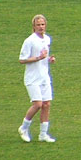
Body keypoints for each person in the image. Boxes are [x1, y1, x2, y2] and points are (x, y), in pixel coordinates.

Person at [18, 14, 57, 143]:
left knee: (46, 104)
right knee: (38, 104)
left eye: (43, 24)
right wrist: (38, 58)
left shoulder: (47, 39)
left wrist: (49, 59)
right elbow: (22, 60)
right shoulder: (29, 41)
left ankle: (43, 134)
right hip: (32, 78)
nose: (41, 27)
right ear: (34, 26)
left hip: (44, 77)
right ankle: (24, 128)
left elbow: (45, 55)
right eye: (38, 25)